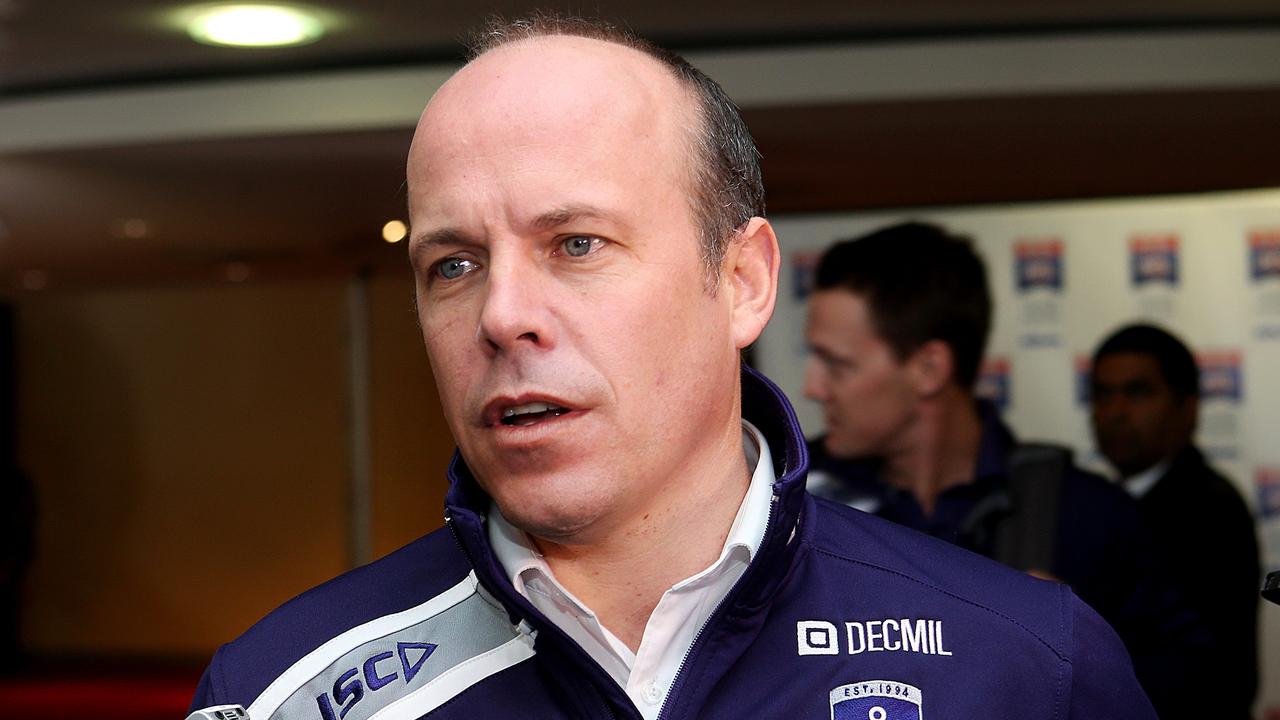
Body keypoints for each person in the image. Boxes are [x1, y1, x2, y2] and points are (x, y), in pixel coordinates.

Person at [188, 15, 1155, 720]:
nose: (502, 314)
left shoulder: (1026, 667)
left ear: (741, 281)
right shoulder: (280, 692)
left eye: (575, 245)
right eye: (454, 264)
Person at [802, 222, 1205, 718]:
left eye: (836, 364)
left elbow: (1196, 689)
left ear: (930, 368)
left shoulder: (1086, 518)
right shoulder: (796, 507)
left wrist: (1072, 644)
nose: (813, 387)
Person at [1091, 322, 1260, 720]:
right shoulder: (1100, 507)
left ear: (1188, 406)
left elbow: (1206, 676)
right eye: (1103, 394)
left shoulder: (1210, 510)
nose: (1115, 412)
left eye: (1137, 392)